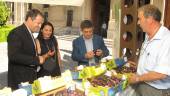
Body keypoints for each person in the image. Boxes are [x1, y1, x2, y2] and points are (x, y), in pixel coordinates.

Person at [128, 4, 170, 96]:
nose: (138, 23)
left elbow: (161, 73)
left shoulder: (167, 40)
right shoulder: (148, 35)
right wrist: (139, 67)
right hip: (142, 84)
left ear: (150, 19)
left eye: (140, 19)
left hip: (155, 91)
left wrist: (138, 78)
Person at [7, 9, 52, 90]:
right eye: (38, 23)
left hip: (30, 77)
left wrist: (42, 56)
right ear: (30, 19)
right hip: (20, 80)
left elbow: (28, 53)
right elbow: (13, 56)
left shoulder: (29, 33)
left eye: (40, 23)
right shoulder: (16, 33)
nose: (39, 26)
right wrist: (37, 60)